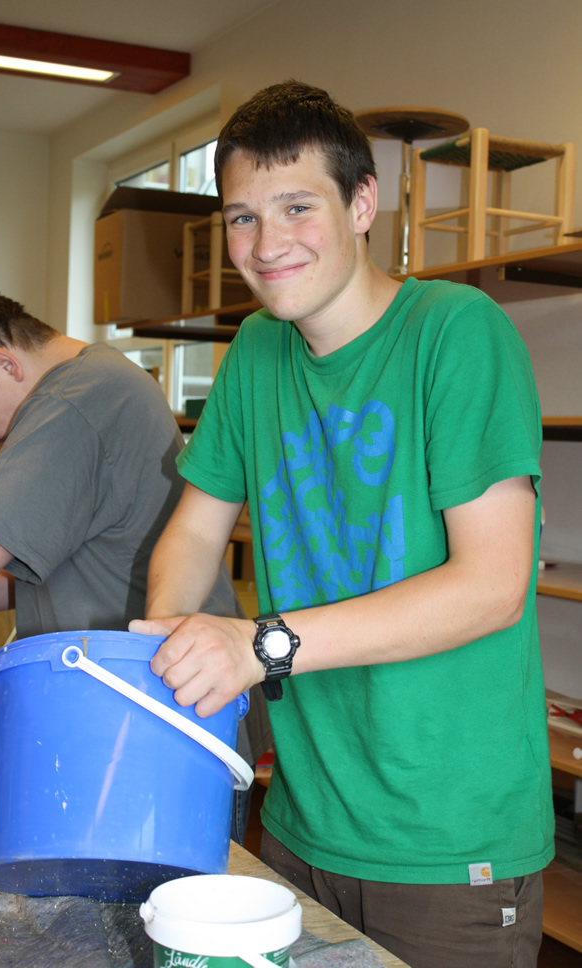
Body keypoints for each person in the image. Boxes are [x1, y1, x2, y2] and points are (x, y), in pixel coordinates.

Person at [129, 81, 552, 968]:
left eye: (297, 207)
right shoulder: (256, 351)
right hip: (301, 822)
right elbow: (195, 532)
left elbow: (493, 587)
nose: (266, 243)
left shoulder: (456, 333)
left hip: (446, 843)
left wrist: (259, 645)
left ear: (362, 204)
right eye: (242, 217)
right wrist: (170, 643)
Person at [0, 288, 270, 844]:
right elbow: (12, 578)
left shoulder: (78, 398)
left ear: (4, 363)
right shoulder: (96, 384)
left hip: (158, 729)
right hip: (135, 721)